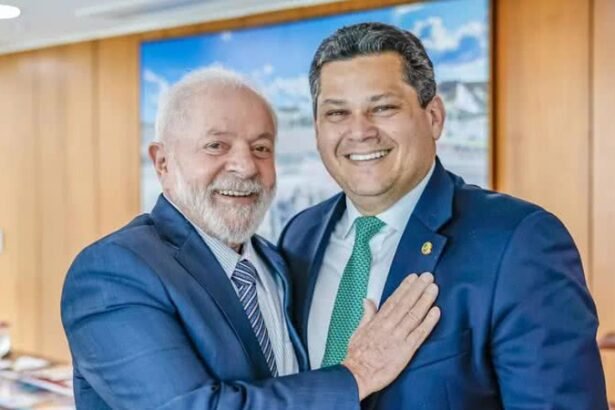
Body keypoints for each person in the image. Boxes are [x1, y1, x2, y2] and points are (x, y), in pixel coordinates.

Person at [61, 67, 441, 410]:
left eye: (261, 148)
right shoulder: (112, 272)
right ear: (163, 162)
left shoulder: (277, 261)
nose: (245, 167)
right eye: (216, 146)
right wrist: (357, 374)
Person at [278, 22, 608, 409]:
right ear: (317, 128)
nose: (360, 131)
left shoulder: (519, 242)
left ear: (434, 116)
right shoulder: (300, 235)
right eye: (337, 113)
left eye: (382, 108)